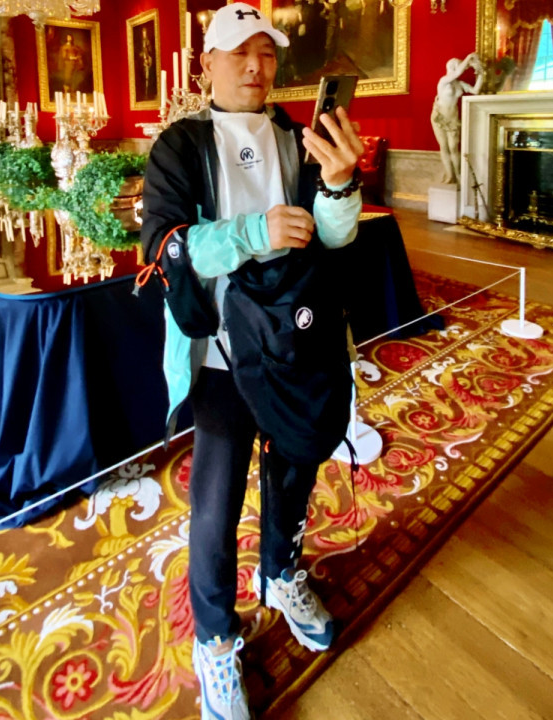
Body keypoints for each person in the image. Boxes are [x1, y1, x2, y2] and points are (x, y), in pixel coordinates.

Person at [140, 3, 363, 718]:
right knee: (217, 498)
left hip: (296, 340)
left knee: (296, 466)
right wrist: (251, 231)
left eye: (267, 53)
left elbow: (332, 236)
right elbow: (167, 249)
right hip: (219, 354)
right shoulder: (179, 146)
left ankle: (281, 573)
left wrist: (340, 185)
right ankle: (214, 637)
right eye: (239, 52)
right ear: (207, 62)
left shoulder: (299, 136)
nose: (255, 66)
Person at [430, 52, 483, 185]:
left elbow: (475, 91)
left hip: (452, 118)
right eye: (460, 66)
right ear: (452, 67)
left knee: (454, 147)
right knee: (444, 146)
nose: (462, 70)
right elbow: (458, 73)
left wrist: (481, 73)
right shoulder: (444, 81)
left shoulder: (459, 84)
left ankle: (458, 174)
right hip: (439, 117)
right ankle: (449, 175)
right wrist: (469, 57)